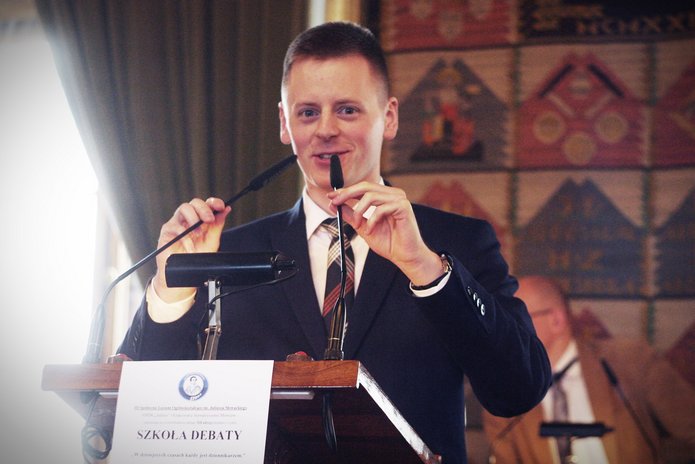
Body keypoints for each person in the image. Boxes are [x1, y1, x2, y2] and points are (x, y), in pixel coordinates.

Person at [117, 21, 551, 463]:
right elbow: (135, 408)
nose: (325, 129)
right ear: (284, 123)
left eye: (347, 110)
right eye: (308, 113)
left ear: (390, 117)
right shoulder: (227, 254)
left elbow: (519, 390)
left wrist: (425, 269)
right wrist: (171, 291)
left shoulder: (454, 243)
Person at [483, 275, 695, 464]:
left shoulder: (631, 360)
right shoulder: (502, 396)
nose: (506, 333)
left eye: (516, 320)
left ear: (556, 320)